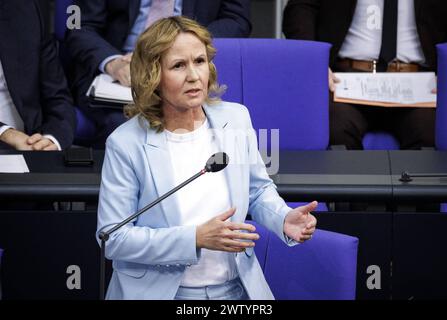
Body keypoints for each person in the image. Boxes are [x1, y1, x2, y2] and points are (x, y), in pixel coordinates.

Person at [96, 16, 317, 300]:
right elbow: (113, 238)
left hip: (236, 291)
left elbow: (258, 190)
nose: (193, 75)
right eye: (178, 65)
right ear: (153, 76)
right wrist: (195, 238)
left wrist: (283, 218)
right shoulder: (125, 144)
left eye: (199, 61)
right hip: (162, 294)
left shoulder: (235, 118)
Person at [65, 0, 252, 148]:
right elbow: (80, 26)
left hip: (186, 63)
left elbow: (236, 19)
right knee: (126, 126)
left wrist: (186, 44)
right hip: (118, 71)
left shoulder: (237, 117)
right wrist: (113, 63)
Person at [283, 0, 447, 150]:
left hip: (420, 84)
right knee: (333, 128)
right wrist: (313, 64)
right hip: (344, 80)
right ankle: (347, 185)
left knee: (433, 131)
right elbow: (301, 7)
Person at [0, 0, 76, 151]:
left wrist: (51, 139)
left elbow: (57, 96)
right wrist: (6, 134)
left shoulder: (29, 8)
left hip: (30, 144)